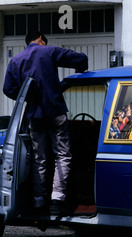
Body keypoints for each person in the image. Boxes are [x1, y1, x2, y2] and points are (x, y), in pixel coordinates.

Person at [3, 31, 88, 215]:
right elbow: (78, 59)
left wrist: (28, 97)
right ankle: (57, 199)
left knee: (39, 158)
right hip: (56, 112)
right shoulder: (48, 51)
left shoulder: (16, 60)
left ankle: (39, 200)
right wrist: (82, 65)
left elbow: (8, 89)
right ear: (41, 39)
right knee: (62, 155)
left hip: (35, 115)